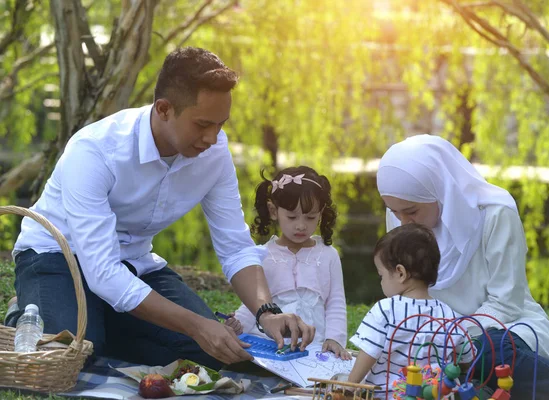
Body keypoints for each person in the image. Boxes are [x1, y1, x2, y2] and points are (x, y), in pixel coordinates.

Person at [5, 47, 315, 369]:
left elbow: (236, 247)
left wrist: (267, 313)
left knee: (216, 355)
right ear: (164, 109)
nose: (212, 138)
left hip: (134, 265)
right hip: (56, 257)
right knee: (72, 358)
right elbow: (102, 272)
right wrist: (196, 325)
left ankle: (100, 324)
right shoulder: (95, 151)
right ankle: (27, 314)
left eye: (220, 125)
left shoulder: (215, 152)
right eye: (202, 125)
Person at [376, 134, 549, 398]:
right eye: (394, 211)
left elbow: (506, 302)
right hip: (433, 337)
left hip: (502, 327)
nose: (403, 222)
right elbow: (404, 290)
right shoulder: (401, 219)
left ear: (441, 188)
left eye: (411, 211)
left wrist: (452, 337)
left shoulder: (496, 213)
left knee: (490, 352)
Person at [230, 166, 350, 359]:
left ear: (321, 214)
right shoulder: (262, 255)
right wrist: (237, 324)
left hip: (312, 346)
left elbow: (335, 302)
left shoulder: (329, 255)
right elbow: (255, 302)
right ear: (273, 211)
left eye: (310, 217)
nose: (301, 225)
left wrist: (334, 338)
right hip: (269, 345)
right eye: (292, 217)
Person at [347, 223, 476, 396]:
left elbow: (369, 353)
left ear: (400, 273)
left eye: (381, 275)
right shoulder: (449, 315)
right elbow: (466, 358)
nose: (381, 282)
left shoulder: (386, 310)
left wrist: (349, 385)